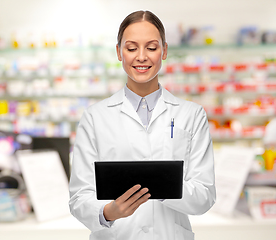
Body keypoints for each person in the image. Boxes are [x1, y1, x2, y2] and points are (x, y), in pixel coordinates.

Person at [69, 10, 216, 240]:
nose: (141, 56)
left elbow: (205, 196)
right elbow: (79, 197)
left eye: (151, 47)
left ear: (164, 50)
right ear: (119, 52)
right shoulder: (94, 117)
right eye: (131, 48)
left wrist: (162, 186)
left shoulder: (192, 115)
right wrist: (109, 212)